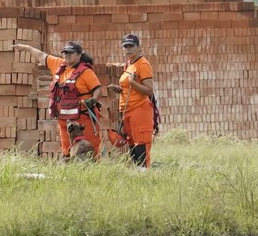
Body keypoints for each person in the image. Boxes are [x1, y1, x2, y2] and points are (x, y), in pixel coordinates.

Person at [12, 41, 103, 159]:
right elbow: (41, 56)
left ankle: (94, 173)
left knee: (89, 150)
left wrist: (93, 100)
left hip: (83, 120)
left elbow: (98, 89)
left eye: (71, 53)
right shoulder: (59, 65)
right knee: (67, 150)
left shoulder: (86, 72)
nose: (67, 55)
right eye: (65, 53)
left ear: (79, 55)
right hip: (65, 121)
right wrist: (26, 48)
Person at [107, 34, 155, 168]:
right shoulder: (129, 64)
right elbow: (130, 87)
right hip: (127, 110)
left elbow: (149, 90)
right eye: (125, 47)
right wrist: (120, 89)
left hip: (139, 108)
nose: (128, 49)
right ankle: (137, 171)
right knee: (132, 143)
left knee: (141, 142)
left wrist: (133, 82)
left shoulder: (143, 64)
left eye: (131, 46)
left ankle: (144, 172)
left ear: (139, 47)